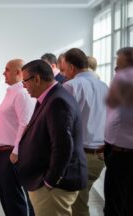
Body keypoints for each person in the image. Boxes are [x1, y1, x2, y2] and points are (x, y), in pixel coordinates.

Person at [17, 59, 87, 216]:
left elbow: (63, 146)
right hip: (48, 183)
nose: (24, 86)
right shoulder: (50, 98)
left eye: (25, 81)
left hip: (54, 188)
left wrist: (50, 181)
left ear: (37, 79)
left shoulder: (58, 101)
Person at [61, 48, 108, 216]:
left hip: (78, 156)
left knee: (77, 206)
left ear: (72, 67)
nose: (63, 73)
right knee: (80, 201)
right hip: (100, 156)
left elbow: (63, 125)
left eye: (64, 68)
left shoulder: (70, 86)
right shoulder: (104, 86)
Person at [0, 59, 35, 216]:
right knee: (7, 199)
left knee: (14, 201)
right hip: (2, 153)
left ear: (18, 72)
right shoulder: (12, 92)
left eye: (7, 69)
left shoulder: (22, 93)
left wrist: (16, 152)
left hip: (11, 153)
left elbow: (25, 124)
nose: (4, 72)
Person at [104, 47, 133, 216]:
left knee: (115, 204)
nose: (116, 70)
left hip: (122, 152)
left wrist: (107, 141)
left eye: (118, 66)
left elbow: (115, 114)